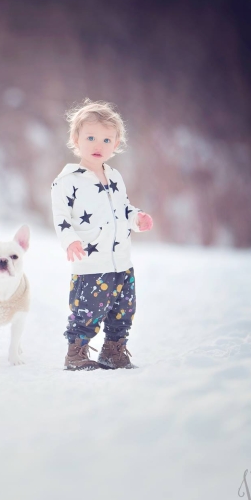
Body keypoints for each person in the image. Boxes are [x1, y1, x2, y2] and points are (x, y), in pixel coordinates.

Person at [50, 99, 153, 370]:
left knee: (124, 311)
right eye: (91, 137)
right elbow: (60, 218)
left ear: (116, 144)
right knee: (88, 311)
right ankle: (76, 354)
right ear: (76, 139)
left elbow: (123, 207)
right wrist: (70, 240)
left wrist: (136, 218)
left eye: (107, 140)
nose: (99, 145)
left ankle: (113, 351)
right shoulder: (67, 181)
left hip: (121, 261)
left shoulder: (115, 177)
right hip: (91, 264)